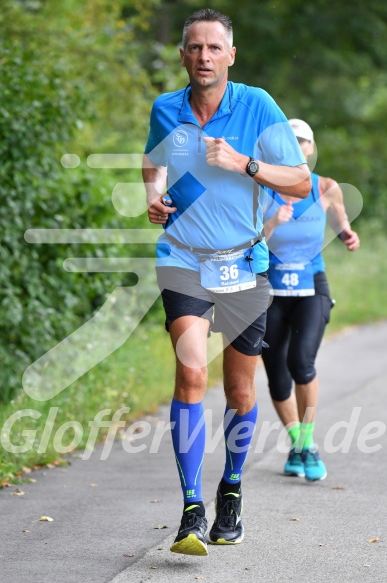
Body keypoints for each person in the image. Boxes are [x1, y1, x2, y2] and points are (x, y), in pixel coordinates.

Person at [142, 9, 310, 557]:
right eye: (195, 47)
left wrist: (246, 164)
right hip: (184, 258)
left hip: (243, 263)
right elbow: (153, 162)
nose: (204, 57)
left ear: (230, 56)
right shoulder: (166, 109)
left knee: (239, 389)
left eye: (215, 48)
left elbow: (301, 180)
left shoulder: (257, 106)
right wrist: (155, 193)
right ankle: (192, 507)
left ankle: (230, 490)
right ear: (183, 54)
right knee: (191, 371)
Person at [262, 118, 360, 482]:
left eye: (301, 141)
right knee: (276, 376)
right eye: (289, 140)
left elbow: (339, 221)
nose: (295, 146)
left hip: (310, 288)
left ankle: (308, 444)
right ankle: (297, 443)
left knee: (301, 362)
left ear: (309, 149)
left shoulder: (326, 187)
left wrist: (347, 234)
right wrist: (272, 222)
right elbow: (251, 237)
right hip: (271, 291)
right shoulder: (262, 189)